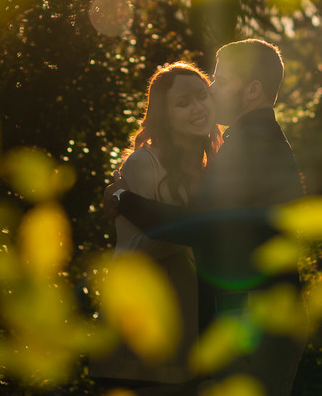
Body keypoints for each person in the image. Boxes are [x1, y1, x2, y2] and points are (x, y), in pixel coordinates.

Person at [107, 39, 306, 396]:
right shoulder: (255, 141)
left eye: (222, 80)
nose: (212, 90)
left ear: (252, 90)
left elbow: (195, 225)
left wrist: (122, 198)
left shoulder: (250, 146)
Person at [90, 62, 222, 394]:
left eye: (202, 96)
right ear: (164, 115)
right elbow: (133, 253)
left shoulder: (214, 164)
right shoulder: (143, 163)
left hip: (193, 320)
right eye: (183, 103)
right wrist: (197, 228)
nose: (198, 108)